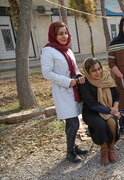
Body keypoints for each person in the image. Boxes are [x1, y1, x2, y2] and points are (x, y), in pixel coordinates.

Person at [41, 21, 88, 163]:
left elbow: (74, 69)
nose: (64, 36)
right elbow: (47, 73)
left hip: (74, 90)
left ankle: (73, 146)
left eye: (66, 33)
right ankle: (70, 153)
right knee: (73, 123)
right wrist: (67, 81)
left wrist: (79, 76)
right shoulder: (48, 50)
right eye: (60, 33)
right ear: (53, 35)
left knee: (73, 122)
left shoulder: (67, 50)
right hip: (63, 91)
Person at [79, 58, 120, 165]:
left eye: (99, 68)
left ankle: (111, 148)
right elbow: (92, 104)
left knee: (112, 123)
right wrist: (111, 111)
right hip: (91, 112)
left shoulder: (107, 78)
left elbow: (117, 95)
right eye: (94, 70)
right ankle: (104, 151)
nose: (98, 72)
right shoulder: (84, 83)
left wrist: (115, 107)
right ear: (87, 72)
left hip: (109, 110)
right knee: (100, 124)